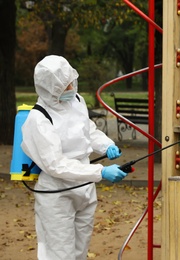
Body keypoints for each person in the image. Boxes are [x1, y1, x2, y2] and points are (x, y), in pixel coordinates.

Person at [21, 55, 128, 260]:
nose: (71, 87)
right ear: (50, 88)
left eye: (71, 81)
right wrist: (101, 171)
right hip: (57, 192)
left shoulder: (76, 102)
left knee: (80, 251)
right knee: (59, 253)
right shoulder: (39, 118)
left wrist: (107, 146)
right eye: (65, 85)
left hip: (85, 186)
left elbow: (88, 130)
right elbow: (56, 165)